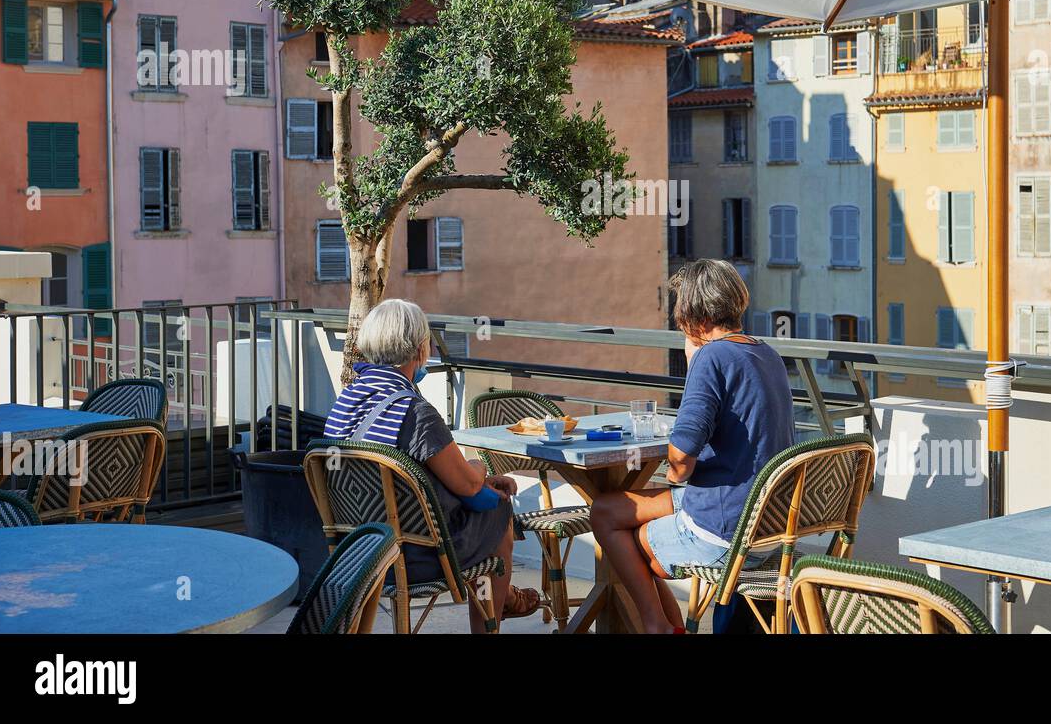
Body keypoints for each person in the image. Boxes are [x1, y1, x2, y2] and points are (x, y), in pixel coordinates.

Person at [590, 259, 794, 633]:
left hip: (729, 528)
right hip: (772, 522)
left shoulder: (712, 358)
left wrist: (695, 363)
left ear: (690, 313)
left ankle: (656, 626)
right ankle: (664, 626)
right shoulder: (766, 353)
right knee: (607, 508)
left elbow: (682, 457)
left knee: (632, 542)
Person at [325, 298, 540, 631]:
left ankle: (505, 599)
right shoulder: (414, 411)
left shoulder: (345, 401)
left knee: (484, 503)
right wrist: (480, 471)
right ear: (419, 349)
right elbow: (468, 485)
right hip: (415, 555)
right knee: (498, 510)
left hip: (357, 551)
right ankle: (494, 615)